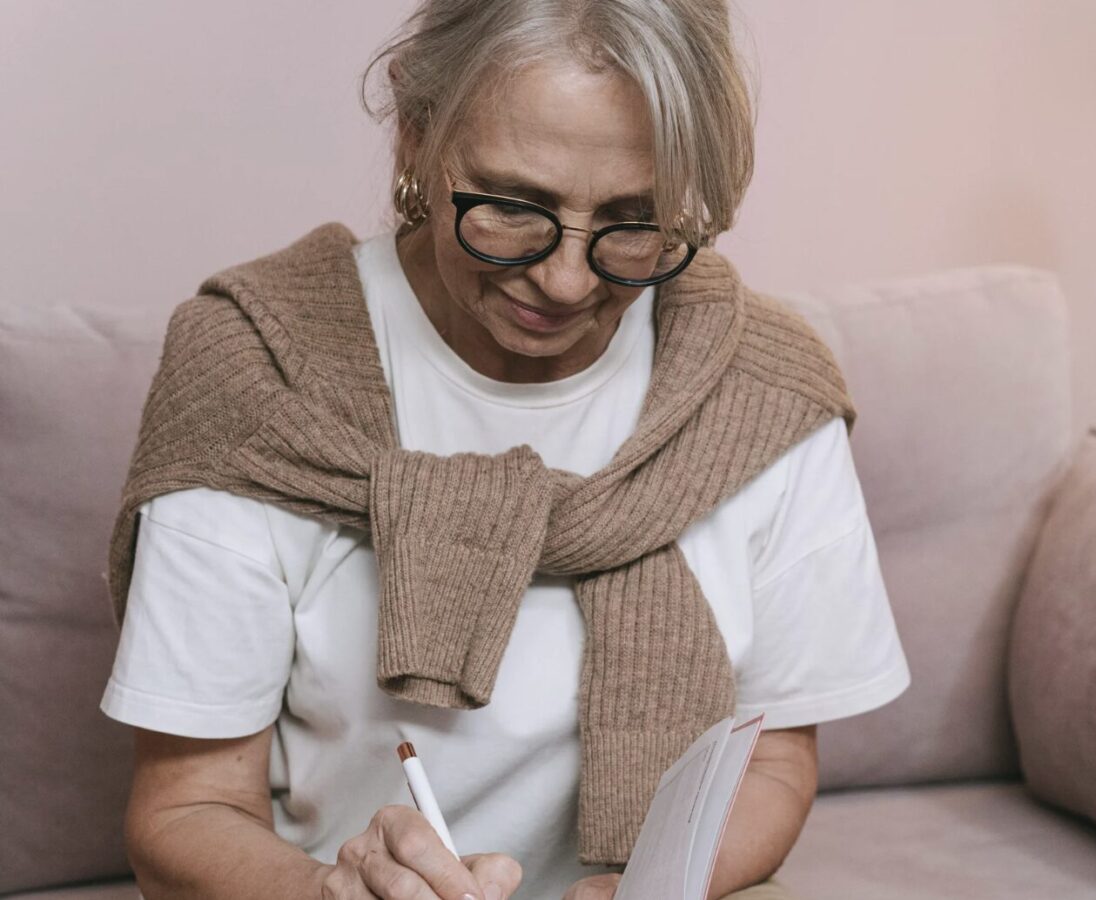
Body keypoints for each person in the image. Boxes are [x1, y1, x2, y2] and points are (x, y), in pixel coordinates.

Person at [97, 2, 909, 898]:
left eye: (634, 221)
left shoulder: (765, 396)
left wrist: (643, 891)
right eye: (514, 207)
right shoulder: (258, 378)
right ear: (415, 132)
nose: (564, 281)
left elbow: (774, 764)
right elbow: (184, 812)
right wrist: (330, 894)